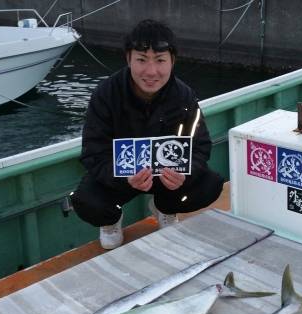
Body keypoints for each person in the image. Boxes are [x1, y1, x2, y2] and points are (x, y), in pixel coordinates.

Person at [71, 19, 224, 249]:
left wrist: (185, 176)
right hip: (122, 180)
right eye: (141, 60)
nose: (151, 72)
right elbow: (93, 153)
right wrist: (123, 178)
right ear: (128, 59)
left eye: (160, 60)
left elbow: (200, 147)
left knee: (210, 185)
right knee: (86, 200)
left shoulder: (185, 96)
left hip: (167, 179)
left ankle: (165, 207)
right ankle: (111, 220)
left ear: (172, 61)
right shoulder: (105, 94)